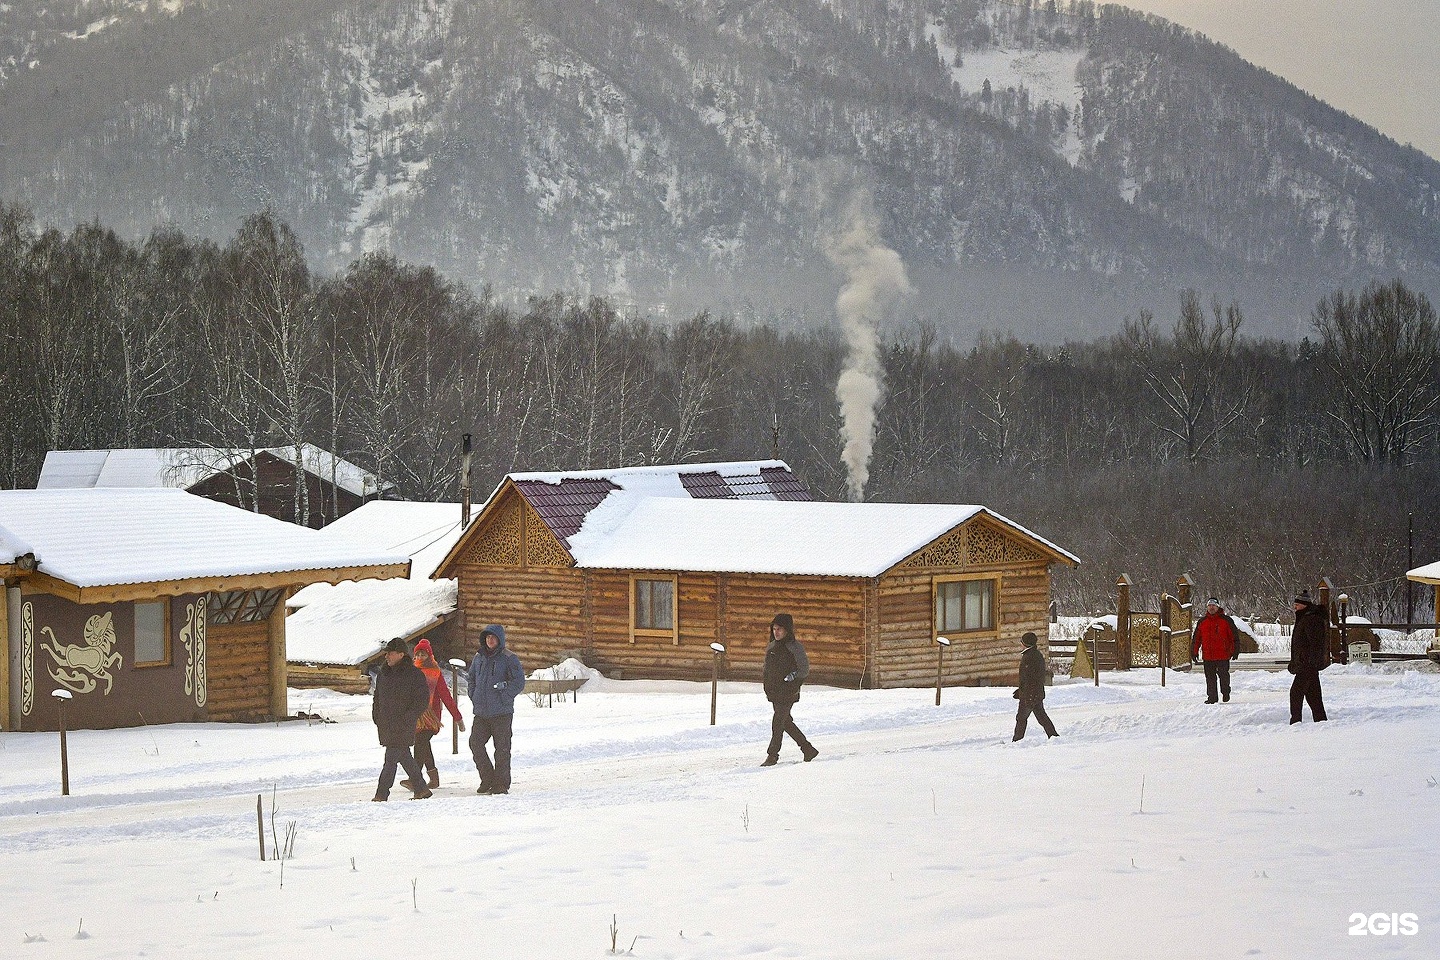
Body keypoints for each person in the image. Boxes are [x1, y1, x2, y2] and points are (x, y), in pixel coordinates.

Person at [466, 624, 525, 794]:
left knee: (502, 749)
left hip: (501, 712)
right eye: (487, 637)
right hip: (481, 712)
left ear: (499, 639)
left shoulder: (509, 658)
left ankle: (501, 784)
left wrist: (504, 695)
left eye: (493, 637)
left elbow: (518, 682)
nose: (490, 640)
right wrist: (474, 694)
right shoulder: (479, 657)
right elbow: (471, 679)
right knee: (475, 743)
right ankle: (487, 779)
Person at [371, 637, 433, 801]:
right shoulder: (383, 674)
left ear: (400, 654)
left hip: (404, 723)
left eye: (390, 653)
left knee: (391, 759)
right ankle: (421, 789)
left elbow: (422, 699)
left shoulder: (414, 674)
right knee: (403, 756)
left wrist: (410, 715)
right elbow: (377, 698)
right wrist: (376, 715)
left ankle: (381, 794)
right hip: (386, 724)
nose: (386, 657)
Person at [400, 638, 465, 791]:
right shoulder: (412, 671)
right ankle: (433, 778)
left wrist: (458, 718)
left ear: (429, 656)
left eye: (423, 654)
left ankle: (415, 779)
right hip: (416, 716)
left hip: (431, 718)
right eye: (418, 654)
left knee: (421, 742)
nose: (420, 658)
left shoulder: (435, 673)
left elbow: (446, 697)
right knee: (423, 745)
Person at [761, 613, 818, 766]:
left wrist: (792, 680)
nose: (776, 632)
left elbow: (804, 669)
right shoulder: (772, 646)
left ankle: (772, 755)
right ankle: (807, 748)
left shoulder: (795, 647)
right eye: (774, 629)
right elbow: (766, 669)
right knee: (785, 722)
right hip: (774, 692)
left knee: (777, 722)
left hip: (788, 692)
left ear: (787, 630)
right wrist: (767, 685)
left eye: (779, 629)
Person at [1288, 590, 1329, 724]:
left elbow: (1316, 643)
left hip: (1307, 664)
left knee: (1296, 693)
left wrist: (1309, 661)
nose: (1295, 607)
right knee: (1313, 696)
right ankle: (1321, 721)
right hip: (1305, 663)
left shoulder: (1311, 619)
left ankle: (1295, 722)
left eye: (1297, 604)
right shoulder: (1304, 617)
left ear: (1304, 605)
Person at [1191, 597, 1241, 703]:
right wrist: (1194, 652)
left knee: (1224, 676)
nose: (1211, 607)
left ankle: (1226, 691)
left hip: (1223, 655)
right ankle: (1212, 697)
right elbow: (1196, 639)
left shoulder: (1226, 620)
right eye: (1209, 605)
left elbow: (1234, 637)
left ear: (1218, 607)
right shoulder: (1202, 621)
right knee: (1210, 678)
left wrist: (1235, 650)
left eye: (1213, 605)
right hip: (1208, 656)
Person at [1013, 631, 1058, 741]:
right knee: (1041, 717)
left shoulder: (1029, 657)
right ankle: (1054, 736)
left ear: (1025, 644)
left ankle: (1017, 740)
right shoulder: (1035, 655)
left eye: (1022, 642)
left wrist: (1026, 694)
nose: (1021, 644)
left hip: (1030, 694)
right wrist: (1021, 691)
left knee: (1021, 718)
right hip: (1034, 693)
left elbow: (1030, 679)